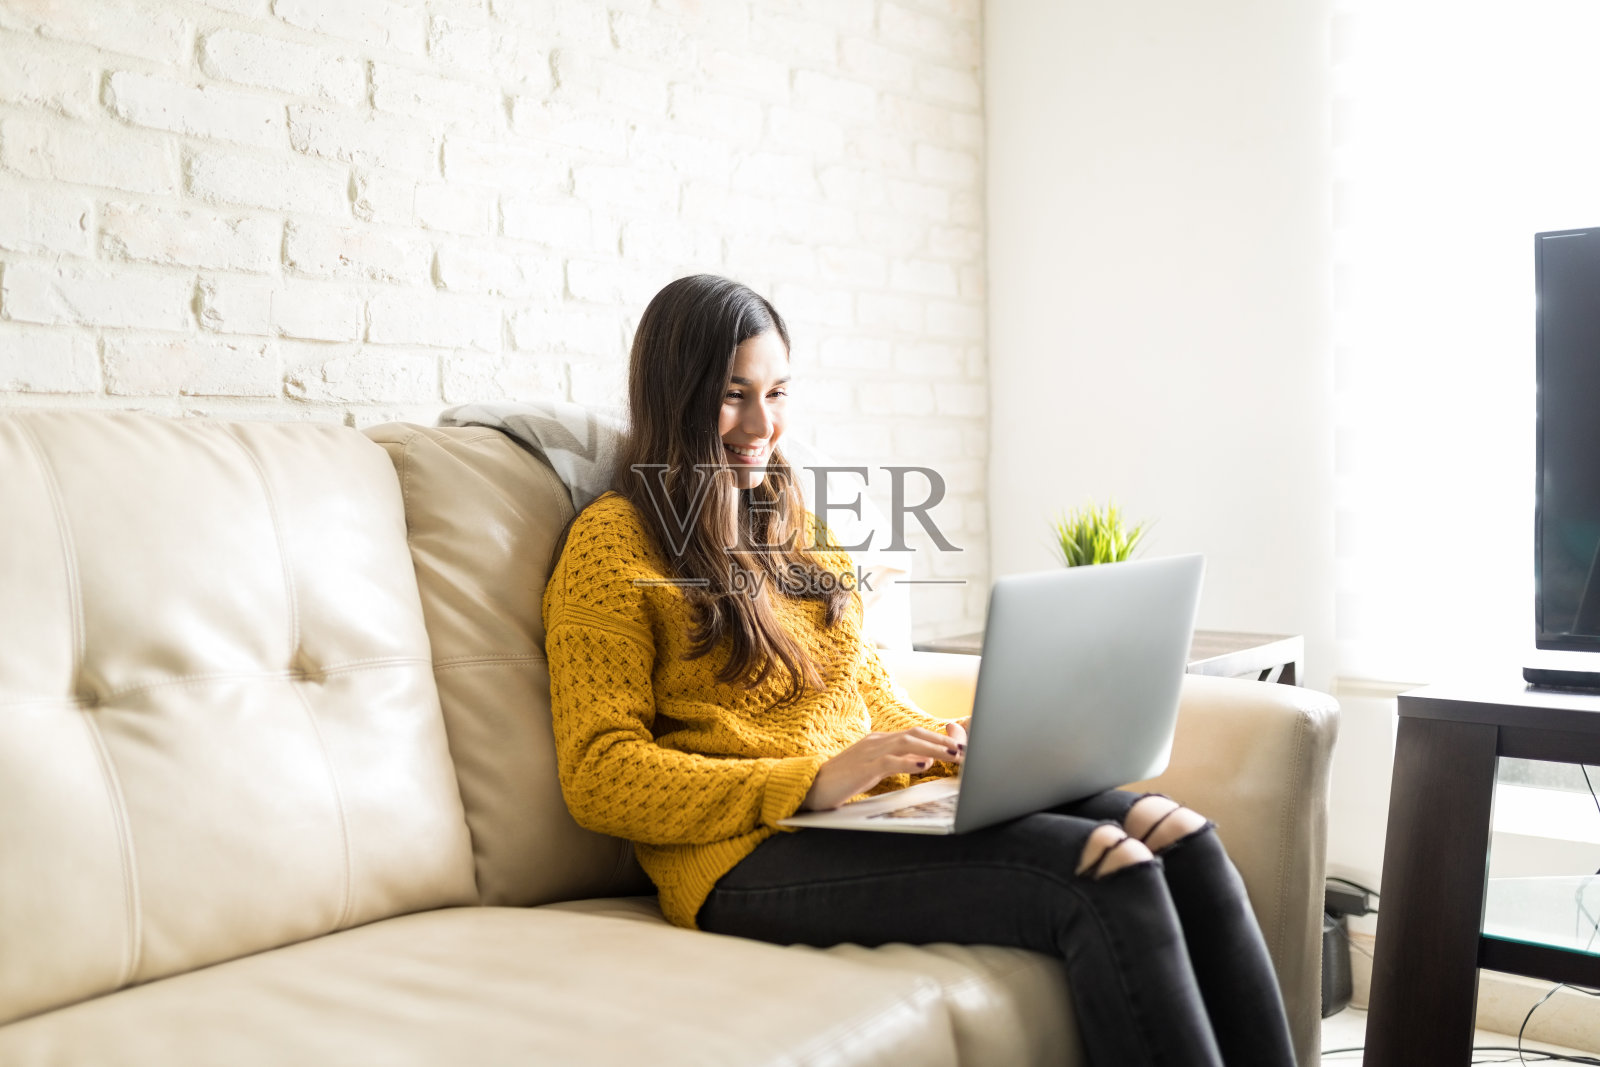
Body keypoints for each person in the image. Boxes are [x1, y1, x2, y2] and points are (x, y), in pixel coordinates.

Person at [541, 274, 1297, 1067]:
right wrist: (807, 781)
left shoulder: (799, 528)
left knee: (1182, 837)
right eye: (734, 395)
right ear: (675, 394)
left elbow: (860, 686)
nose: (762, 423)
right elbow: (598, 772)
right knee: (1107, 870)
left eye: (778, 392)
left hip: (857, 813)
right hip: (741, 853)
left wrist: (936, 739)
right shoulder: (614, 543)